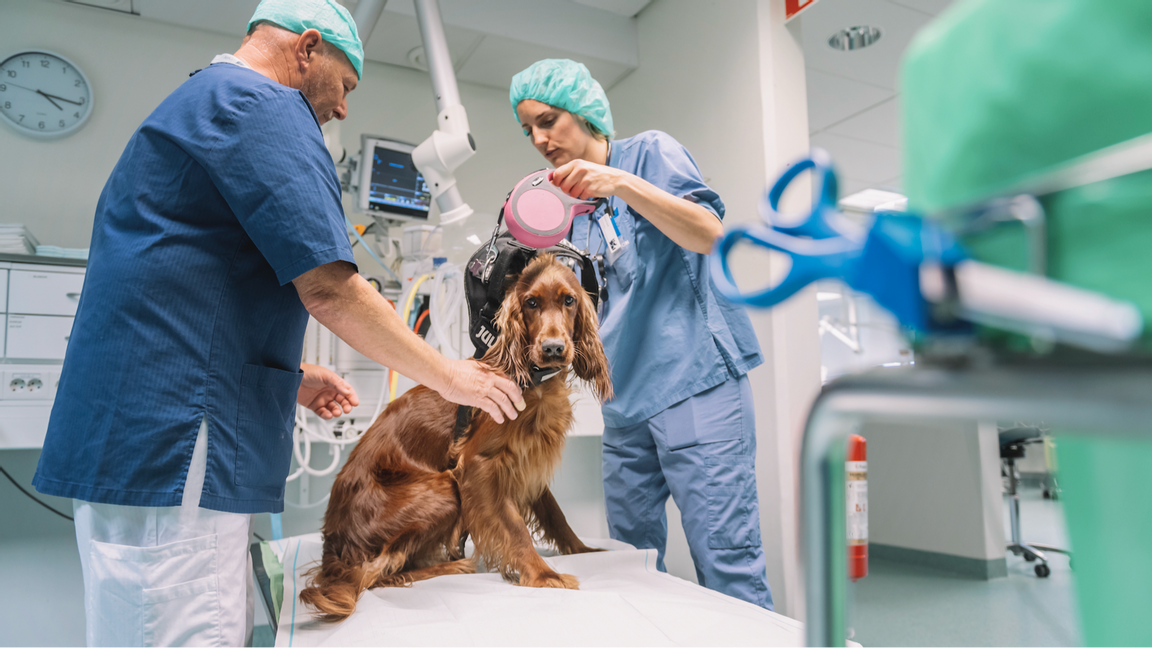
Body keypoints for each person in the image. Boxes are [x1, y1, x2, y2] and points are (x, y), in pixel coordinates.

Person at [32, 1, 524, 646]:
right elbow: (330, 288)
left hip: (148, 430)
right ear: (307, 48)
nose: (343, 108)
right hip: (176, 444)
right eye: (345, 85)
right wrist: (451, 376)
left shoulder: (204, 102)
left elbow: (187, 285)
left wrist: (288, 377)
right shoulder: (258, 104)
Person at [509, 59, 773, 609]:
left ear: (584, 113)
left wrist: (620, 183)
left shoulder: (648, 154)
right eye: (528, 129)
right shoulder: (570, 214)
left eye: (549, 120)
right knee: (629, 564)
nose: (539, 138)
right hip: (623, 404)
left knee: (726, 564)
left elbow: (709, 235)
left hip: (695, 386)